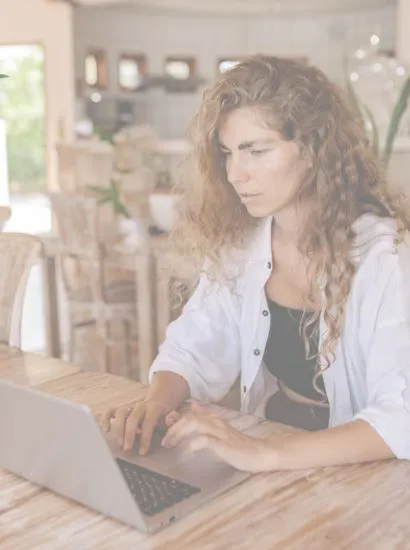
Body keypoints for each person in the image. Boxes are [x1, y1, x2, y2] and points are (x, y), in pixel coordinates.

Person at [102, 54, 410, 473]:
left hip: (361, 473)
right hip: (276, 448)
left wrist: (264, 455)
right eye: (228, 153)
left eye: (256, 151)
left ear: (315, 149)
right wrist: (156, 402)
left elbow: (401, 416)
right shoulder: (245, 245)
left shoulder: (387, 257)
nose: (234, 173)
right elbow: (192, 347)